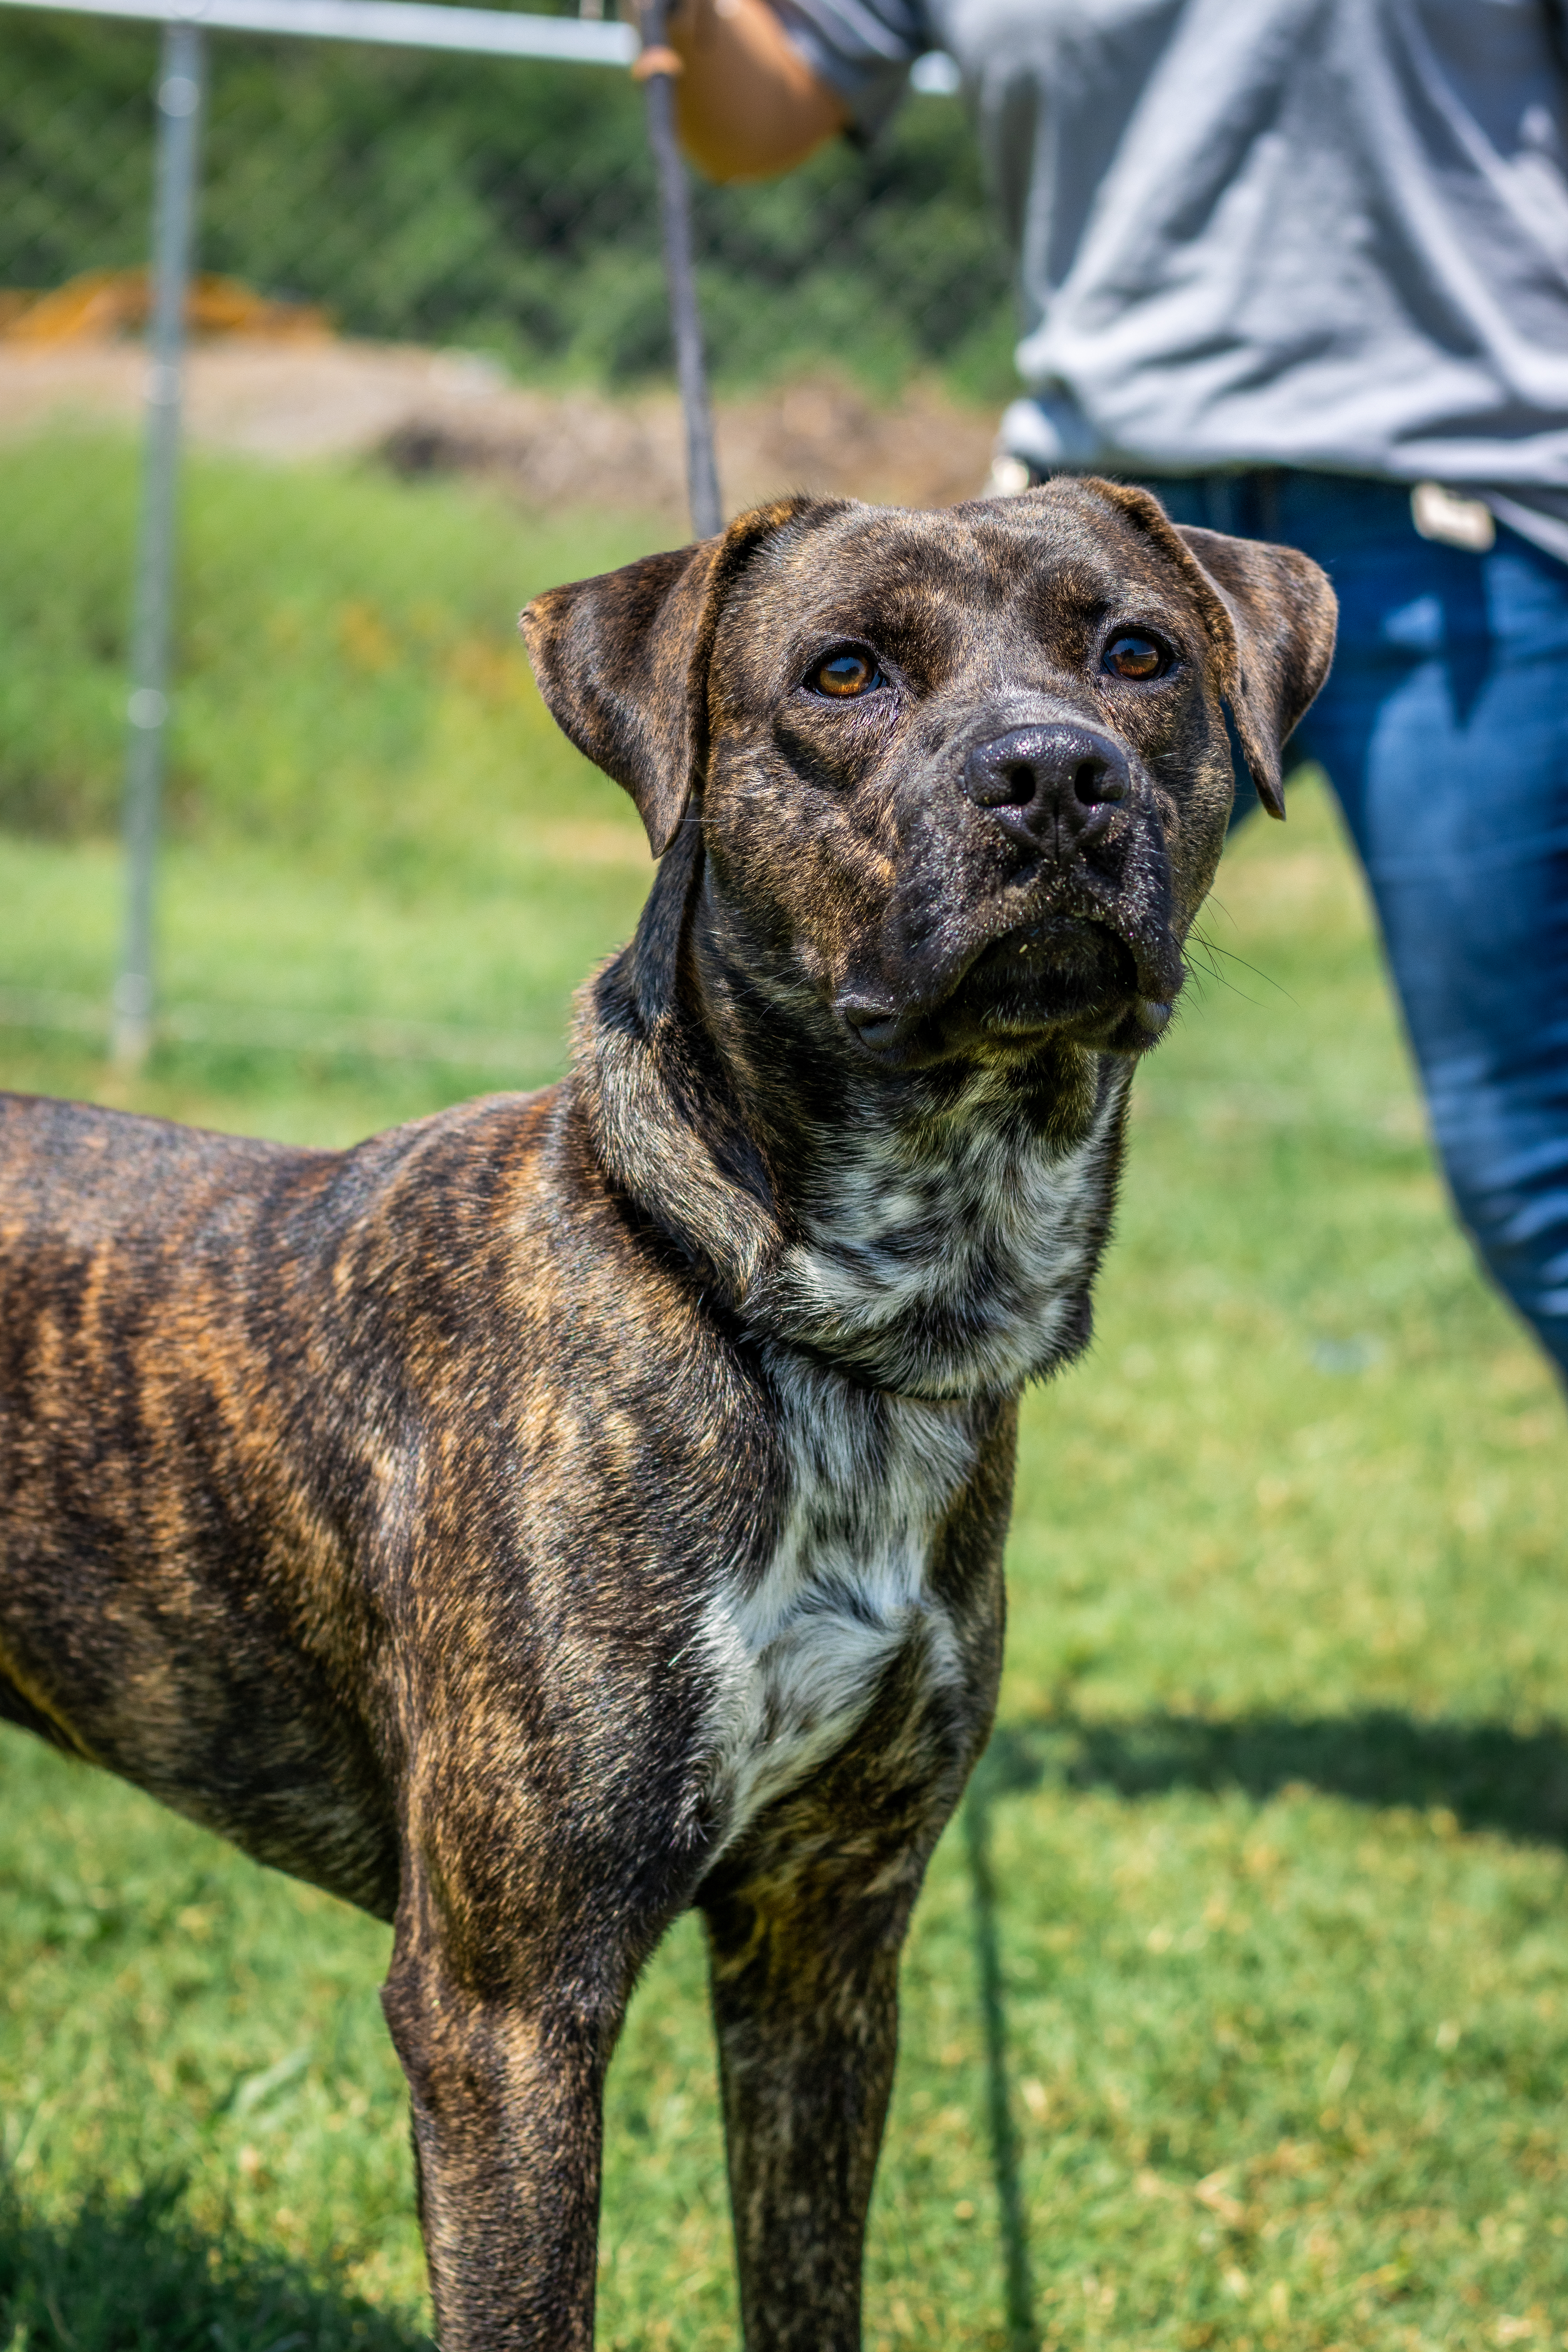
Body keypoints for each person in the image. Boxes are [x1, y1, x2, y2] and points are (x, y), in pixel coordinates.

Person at [664, 0, 1568, 1386]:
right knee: (873, 1121)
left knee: (1537, 1165)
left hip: (1458, 520)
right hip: (1068, 534)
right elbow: (751, 115)